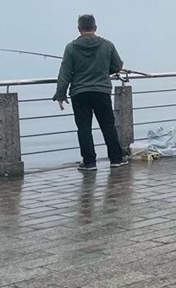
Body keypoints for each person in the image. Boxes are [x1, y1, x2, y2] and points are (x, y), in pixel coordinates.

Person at [53, 14, 128, 171]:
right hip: (101, 91)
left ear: (79, 28)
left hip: (79, 93)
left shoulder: (71, 47)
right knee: (108, 126)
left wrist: (61, 94)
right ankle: (116, 159)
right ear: (95, 27)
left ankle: (89, 162)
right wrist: (104, 70)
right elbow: (117, 66)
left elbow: (65, 73)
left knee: (84, 128)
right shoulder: (107, 45)